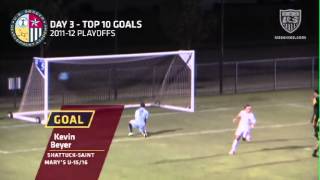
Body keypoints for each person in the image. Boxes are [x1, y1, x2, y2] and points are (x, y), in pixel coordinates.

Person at [311, 90, 319, 157]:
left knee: (318, 139)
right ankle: (315, 151)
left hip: (316, 120)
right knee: (318, 139)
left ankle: (315, 152)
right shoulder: (315, 99)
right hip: (316, 120)